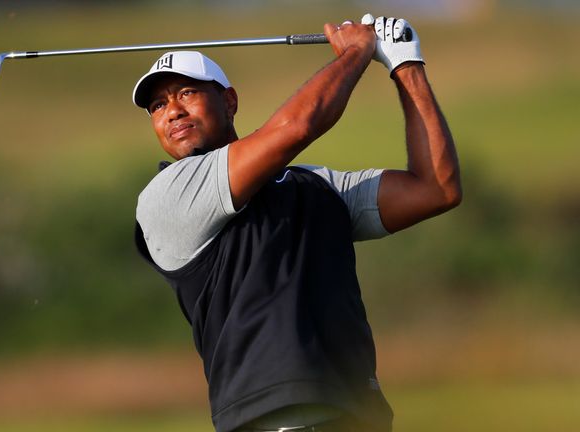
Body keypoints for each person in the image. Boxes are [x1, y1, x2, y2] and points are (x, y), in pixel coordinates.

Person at [132, 13, 461, 432]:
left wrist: (405, 66)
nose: (172, 112)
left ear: (229, 101)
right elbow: (297, 126)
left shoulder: (315, 186)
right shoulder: (168, 195)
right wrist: (358, 52)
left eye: (187, 93)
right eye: (158, 105)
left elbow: (436, 188)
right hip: (273, 419)